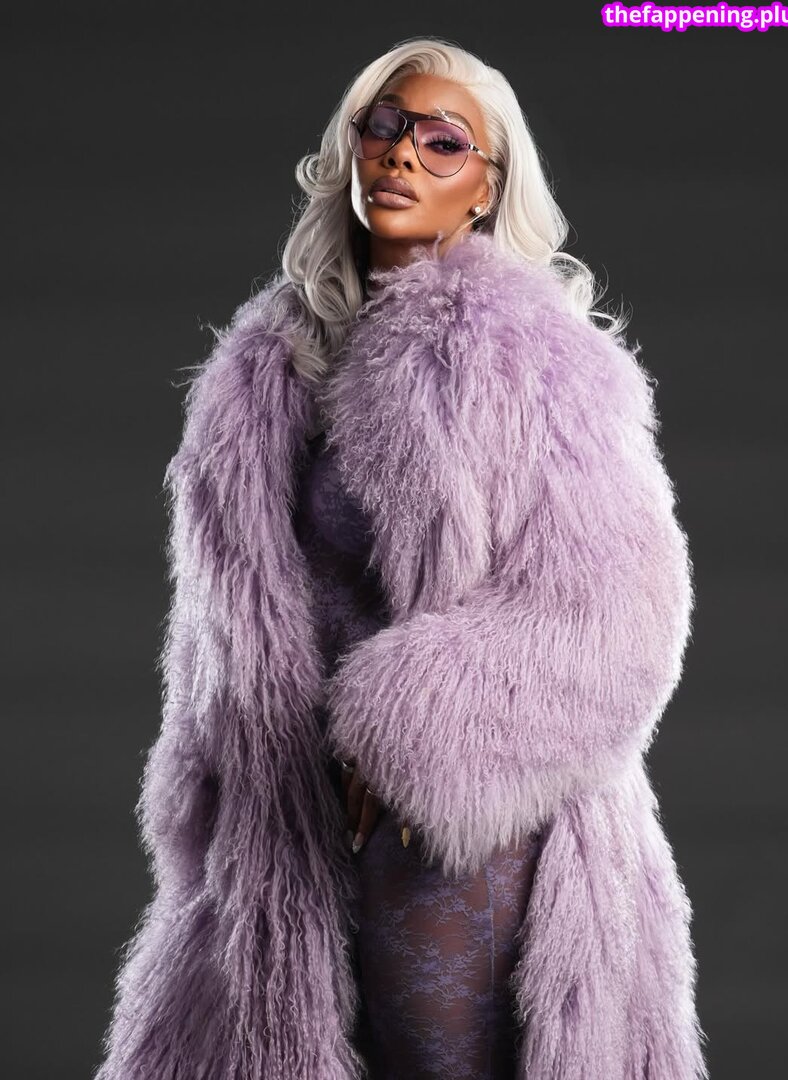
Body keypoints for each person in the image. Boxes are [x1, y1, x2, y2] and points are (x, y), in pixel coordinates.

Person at [94, 37, 708, 1080]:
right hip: (286, 824)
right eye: (383, 127)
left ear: (486, 188)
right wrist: (219, 780)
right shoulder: (266, 372)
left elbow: (620, 615)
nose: (402, 155)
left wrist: (407, 737)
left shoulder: (538, 363)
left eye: (441, 141)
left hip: (456, 829)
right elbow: (226, 633)